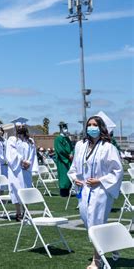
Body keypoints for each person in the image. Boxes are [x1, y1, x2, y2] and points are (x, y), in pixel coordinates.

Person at [68, 115, 123, 269]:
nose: (91, 127)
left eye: (95, 125)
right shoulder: (80, 145)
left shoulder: (108, 147)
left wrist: (100, 180)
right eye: (89, 124)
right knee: (87, 221)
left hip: (101, 191)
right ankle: (111, 245)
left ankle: (97, 261)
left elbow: (117, 171)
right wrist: (75, 178)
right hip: (84, 190)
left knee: (96, 224)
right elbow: (74, 168)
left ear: (101, 128)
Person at [6, 121, 38, 221]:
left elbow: (33, 154)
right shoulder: (12, 139)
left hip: (26, 169)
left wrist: (28, 162)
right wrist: (21, 160)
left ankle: (26, 212)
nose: (21, 128)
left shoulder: (30, 140)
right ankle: (18, 212)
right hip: (15, 170)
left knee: (26, 188)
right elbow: (11, 153)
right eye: (19, 126)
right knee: (16, 189)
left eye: (22, 126)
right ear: (15, 128)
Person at [54, 121, 74, 197]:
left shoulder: (67, 138)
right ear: (61, 129)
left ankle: (69, 190)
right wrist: (67, 156)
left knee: (69, 175)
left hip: (69, 160)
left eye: (66, 127)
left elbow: (71, 147)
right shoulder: (58, 139)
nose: (66, 129)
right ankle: (63, 192)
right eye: (64, 128)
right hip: (63, 161)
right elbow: (60, 150)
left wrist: (72, 153)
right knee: (63, 176)